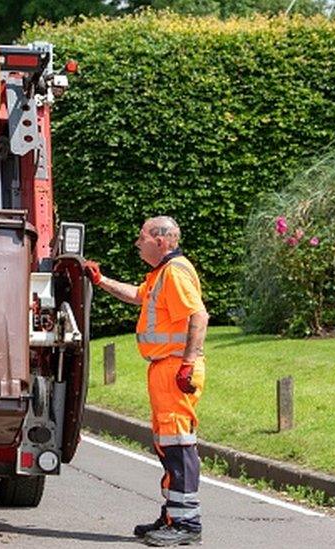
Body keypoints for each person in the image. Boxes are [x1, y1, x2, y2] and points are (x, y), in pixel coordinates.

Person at [84, 216, 208, 547]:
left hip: (175, 369)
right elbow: (139, 296)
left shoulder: (175, 272)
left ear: (161, 241)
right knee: (169, 445)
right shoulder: (160, 274)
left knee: (179, 446)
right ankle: (174, 515)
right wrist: (102, 281)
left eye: (142, 238)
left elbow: (199, 316)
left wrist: (188, 363)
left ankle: (186, 523)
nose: (137, 243)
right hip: (166, 368)